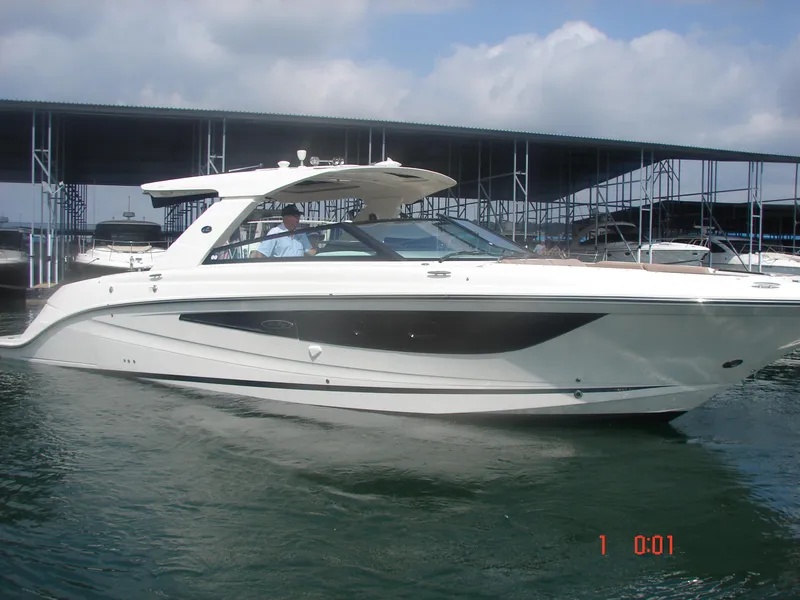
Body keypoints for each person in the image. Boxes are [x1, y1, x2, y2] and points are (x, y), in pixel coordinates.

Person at [249, 204, 317, 258]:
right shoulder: (275, 233)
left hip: (298, 272)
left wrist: (324, 251)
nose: (298, 218)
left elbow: (311, 252)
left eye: (299, 216)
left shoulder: (301, 234)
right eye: (295, 216)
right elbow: (260, 255)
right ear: (286, 217)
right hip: (281, 273)